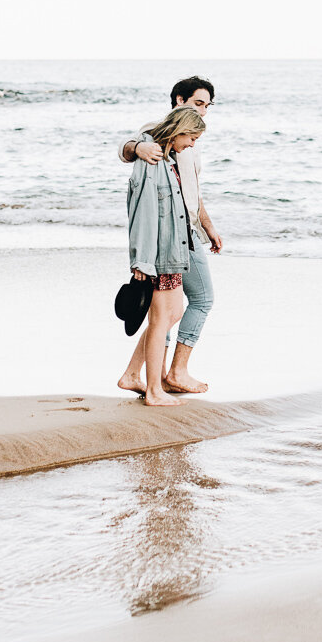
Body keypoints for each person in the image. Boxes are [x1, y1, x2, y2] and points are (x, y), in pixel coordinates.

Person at [118, 76, 223, 396]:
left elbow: (191, 191)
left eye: (207, 106)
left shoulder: (190, 140)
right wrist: (138, 146)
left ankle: (137, 374)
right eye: (197, 103)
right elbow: (124, 150)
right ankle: (174, 372)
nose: (203, 112)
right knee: (196, 301)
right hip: (171, 235)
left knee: (166, 309)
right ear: (179, 100)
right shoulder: (158, 133)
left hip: (188, 229)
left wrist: (208, 226)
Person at [123, 107, 206, 407]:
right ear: (179, 129)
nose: (193, 145)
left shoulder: (166, 158)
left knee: (171, 315)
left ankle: (134, 376)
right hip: (157, 256)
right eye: (192, 137)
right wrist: (141, 262)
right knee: (161, 321)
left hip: (171, 252)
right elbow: (143, 213)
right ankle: (154, 391)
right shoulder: (151, 157)